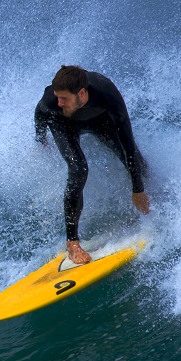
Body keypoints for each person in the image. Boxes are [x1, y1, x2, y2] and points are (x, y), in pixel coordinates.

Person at [34, 65, 150, 264]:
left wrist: (137, 189)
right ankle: (72, 243)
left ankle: (146, 205)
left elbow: (128, 144)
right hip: (62, 125)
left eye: (64, 99)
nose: (59, 102)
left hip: (99, 121)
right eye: (57, 97)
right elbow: (40, 114)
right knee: (78, 169)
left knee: (139, 164)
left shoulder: (107, 94)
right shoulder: (53, 101)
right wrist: (41, 140)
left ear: (82, 93)